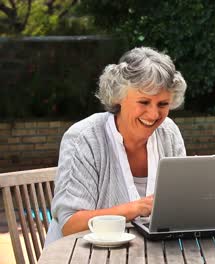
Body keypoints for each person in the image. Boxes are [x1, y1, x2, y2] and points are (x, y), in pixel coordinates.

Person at [45, 47, 187, 245]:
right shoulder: (84, 138)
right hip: (81, 255)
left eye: (162, 104)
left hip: (152, 254)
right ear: (118, 96)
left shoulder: (169, 133)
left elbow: (182, 204)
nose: (154, 114)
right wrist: (136, 207)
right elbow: (70, 224)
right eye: (144, 102)